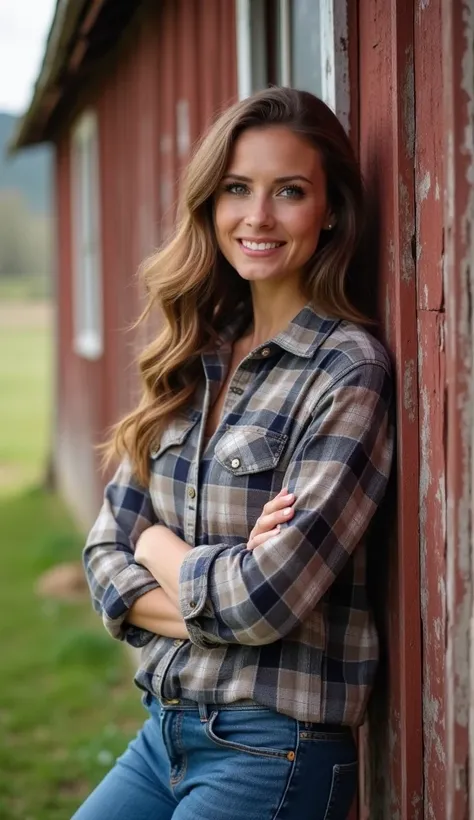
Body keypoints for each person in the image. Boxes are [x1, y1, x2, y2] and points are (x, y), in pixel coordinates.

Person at [75, 86, 394, 820]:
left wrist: (156, 546)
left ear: (332, 209)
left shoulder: (348, 370)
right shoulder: (194, 353)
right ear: (210, 205)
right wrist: (209, 583)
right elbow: (103, 558)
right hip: (164, 733)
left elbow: (264, 600)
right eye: (237, 189)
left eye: (289, 191)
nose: (258, 217)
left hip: (273, 751)